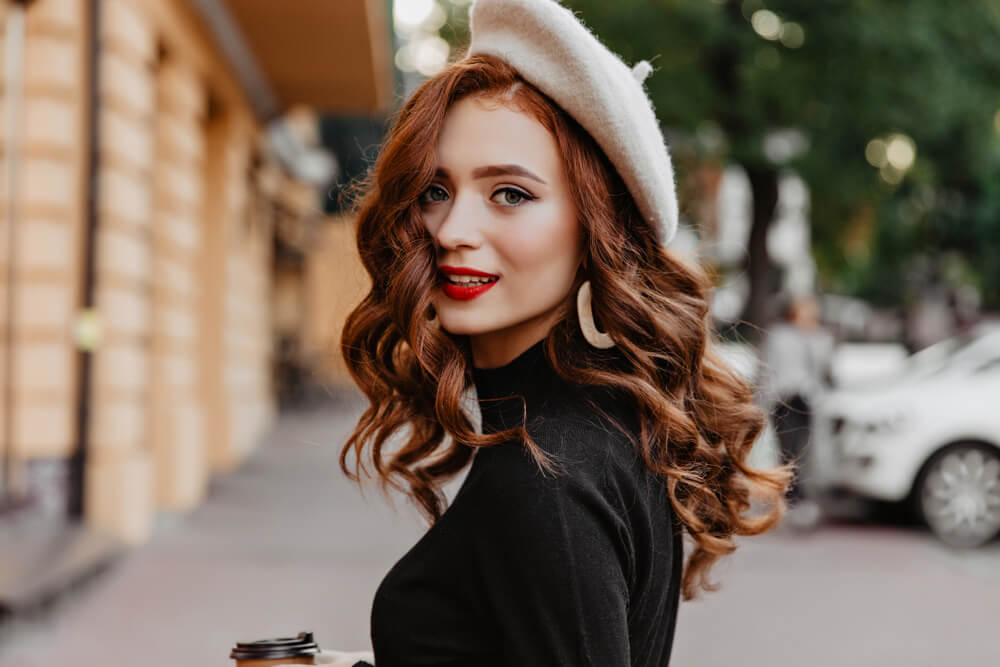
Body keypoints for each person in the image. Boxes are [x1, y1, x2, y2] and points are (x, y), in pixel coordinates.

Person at [326, 1, 790, 665]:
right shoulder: (599, 423)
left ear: (593, 230)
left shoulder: (544, 472)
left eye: (509, 194)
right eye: (434, 189)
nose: (452, 229)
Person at [760, 293, 834, 528]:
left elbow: (826, 370)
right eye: (803, 309)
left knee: (806, 451)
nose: (808, 314)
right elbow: (767, 369)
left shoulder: (821, 337)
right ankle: (790, 498)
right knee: (788, 451)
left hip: (810, 402)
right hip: (784, 400)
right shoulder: (779, 335)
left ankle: (799, 497)